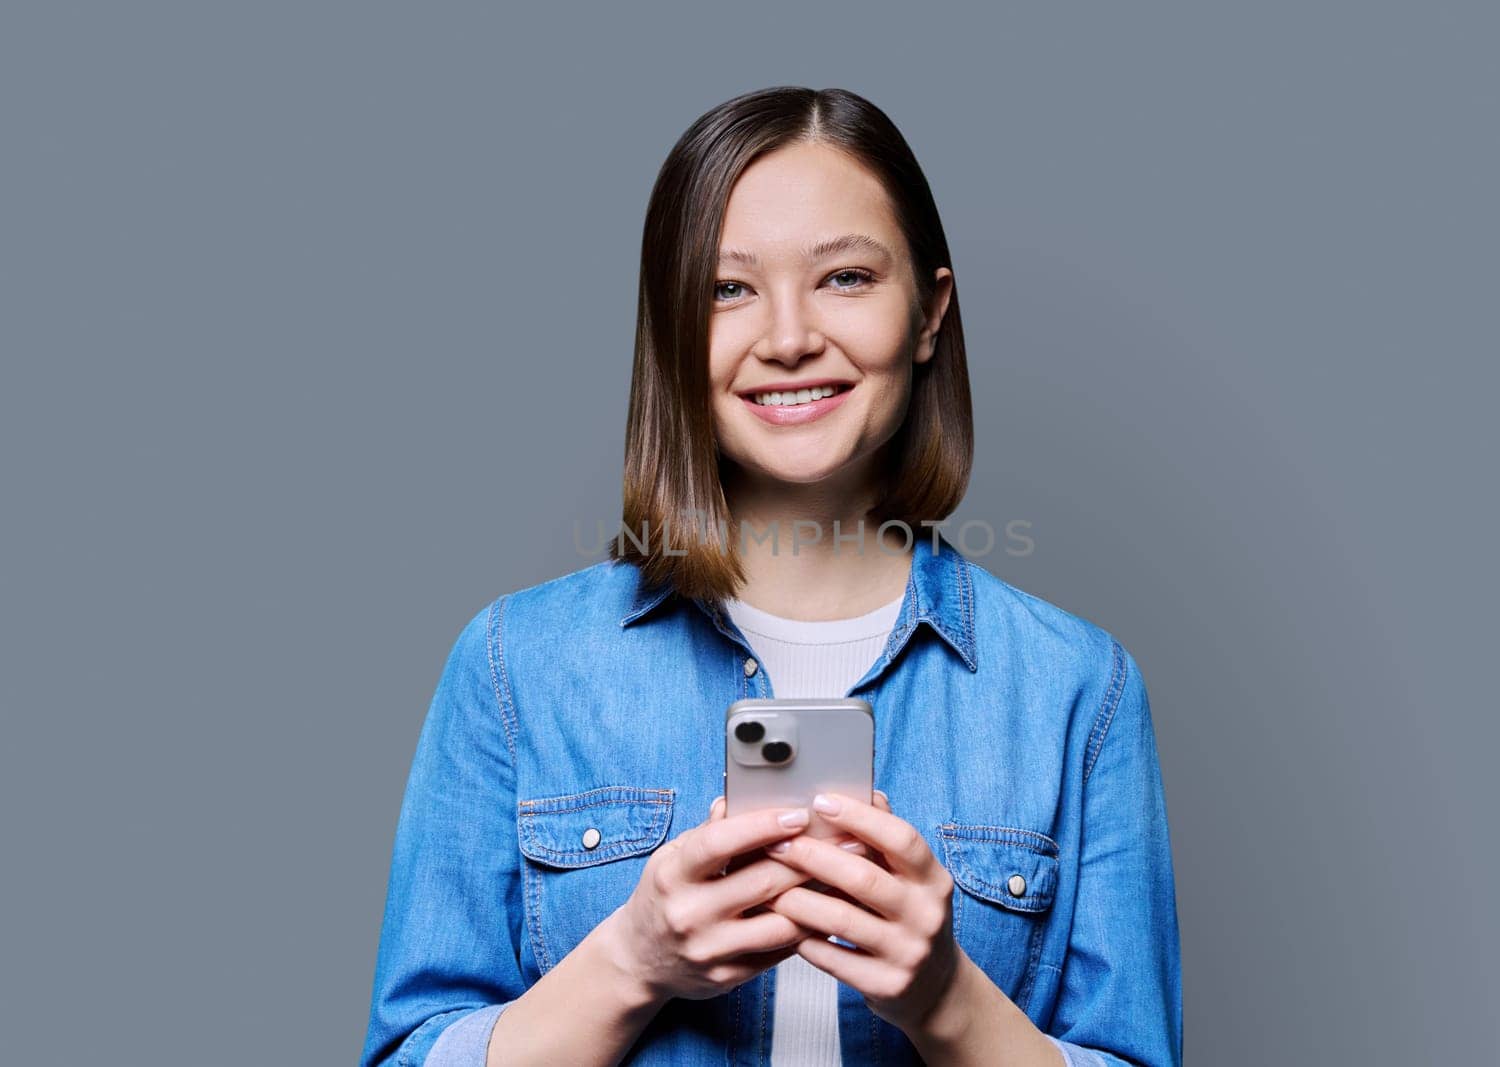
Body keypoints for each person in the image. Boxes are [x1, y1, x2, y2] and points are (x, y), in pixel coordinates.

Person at [361, 86, 1181, 1067]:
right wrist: (632, 957)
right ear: (673, 331)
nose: (787, 336)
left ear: (929, 311)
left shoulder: (1075, 690)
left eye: (843, 277)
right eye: (728, 288)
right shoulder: (514, 665)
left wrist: (946, 997)